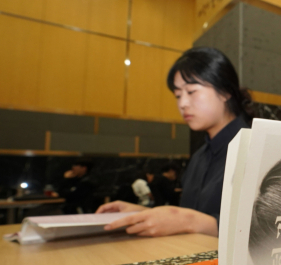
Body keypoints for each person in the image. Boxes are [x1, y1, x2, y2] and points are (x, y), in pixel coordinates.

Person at [97, 47, 252, 237]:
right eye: (178, 95)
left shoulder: (256, 149)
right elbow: (192, 217)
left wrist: (187, 220)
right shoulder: (198, 158)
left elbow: (264, 232)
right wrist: (143, 214)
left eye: (191, 92)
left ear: (226, 91)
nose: (182, 104)